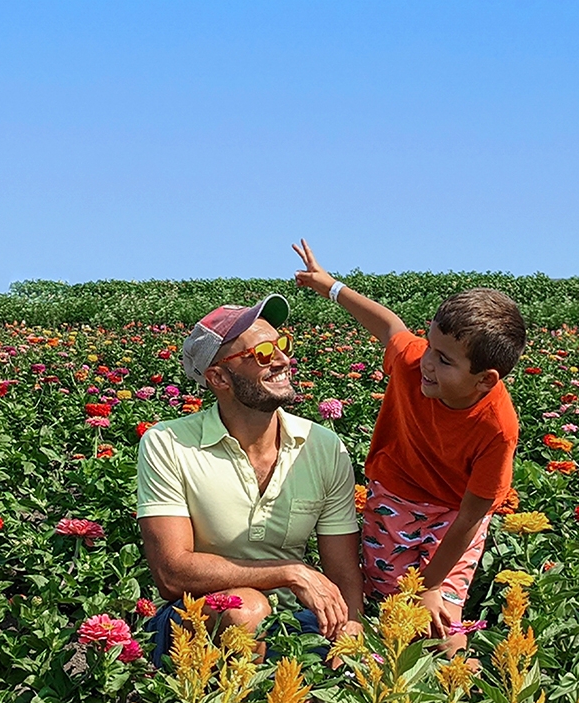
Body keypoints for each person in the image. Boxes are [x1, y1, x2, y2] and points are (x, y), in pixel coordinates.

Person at [292, 240, 525, 652]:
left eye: (446, 360)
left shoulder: (498, 428)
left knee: (440, 624)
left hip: (454, 516)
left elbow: (471, 517)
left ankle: (451, 696)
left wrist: (432, 585)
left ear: (486, 380)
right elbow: (389, 327)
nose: (429, 363)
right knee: (390, 609)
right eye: (431, 347)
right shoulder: (414, 360)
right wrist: (328, 285)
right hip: (395, 498)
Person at [137, 293, 364, 662]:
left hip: (297, 619)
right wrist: (289, 572)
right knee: (247, 610)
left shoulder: (322, 446)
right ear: (219, 377)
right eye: (262, 354)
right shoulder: (169, 443)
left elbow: (343, 569)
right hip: (197, 619)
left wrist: (352, 629)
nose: (283, 359)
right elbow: (172, 574)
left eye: (282, 345)